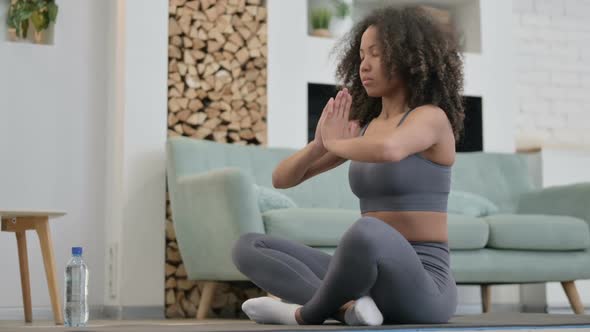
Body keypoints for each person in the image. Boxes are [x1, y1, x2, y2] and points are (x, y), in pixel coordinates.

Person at [231, 5, 465, 326]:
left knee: (366, 231)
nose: (364, 65)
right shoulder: (366, 127)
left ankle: (303, 315)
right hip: (368, 284)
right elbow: (281, 179)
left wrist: (337, 143)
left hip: (424, 287)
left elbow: (391, 149)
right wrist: (318, 146)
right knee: (249, 246)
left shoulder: (430, 118)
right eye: (360, 55)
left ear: (409, 57)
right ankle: (347, 309)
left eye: (376, 54)